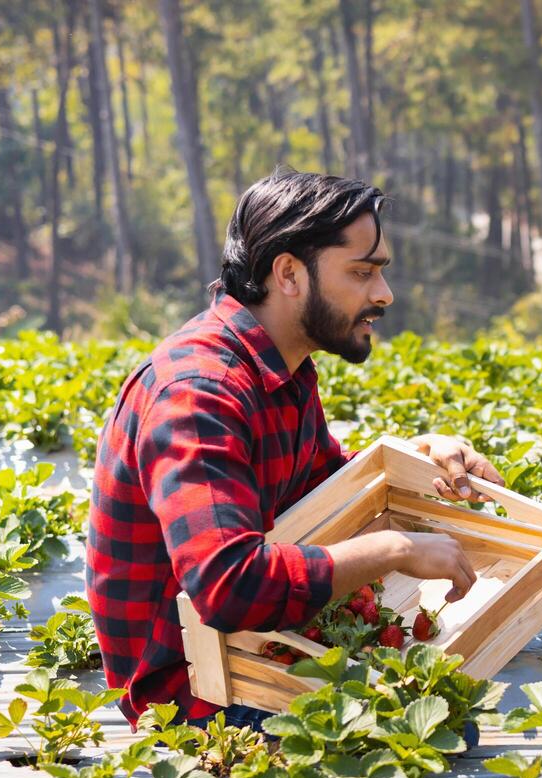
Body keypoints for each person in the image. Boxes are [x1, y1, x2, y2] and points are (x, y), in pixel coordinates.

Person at [86, 168, 504, 728]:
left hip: (253, 646)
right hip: (196, 692)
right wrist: (395, 549)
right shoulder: (196, 394)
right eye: (362, 272)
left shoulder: (282, 370)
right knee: (452, 726)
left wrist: (418, 457)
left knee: (462, 687)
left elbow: (323, 491)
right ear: (289, 273)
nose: (384, 294)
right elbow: (230, 586)